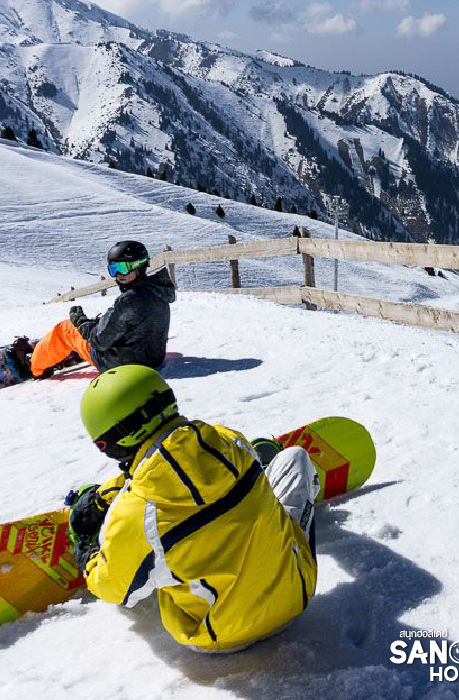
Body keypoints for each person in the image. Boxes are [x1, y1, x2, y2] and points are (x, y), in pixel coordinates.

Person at [66, 365, 319, 652]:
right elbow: (160, 465)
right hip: (297, 593)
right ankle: (262, 466)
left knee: (145, 552)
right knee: (294, 458)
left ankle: (131, 555)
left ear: (106, 445)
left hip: (219, 636)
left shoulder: (134, 513)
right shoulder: (229, 439)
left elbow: (113, 590)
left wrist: (86, 547)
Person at [17, 241, 176, 378]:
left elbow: (98, 341)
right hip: (152, 359)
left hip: (119, 364)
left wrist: (79, 320)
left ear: (139, 267)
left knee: (65, 329)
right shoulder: (158, 291)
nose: (119, 274)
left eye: (123, 267)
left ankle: (34, 366)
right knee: (96, 323)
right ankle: (69, 347)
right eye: (114, 269)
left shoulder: (130, 299)